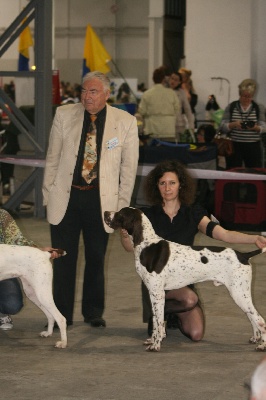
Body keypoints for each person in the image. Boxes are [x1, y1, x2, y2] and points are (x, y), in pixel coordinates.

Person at [120, 160, 266, 339]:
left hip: (183, 282)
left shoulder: (193, 213)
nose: (167, 188)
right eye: (162, 183)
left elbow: (223, 235)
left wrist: (254, 239)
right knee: (190, 299)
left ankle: (259, 331)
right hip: (157, 280)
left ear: (181, 185)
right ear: (156, 186)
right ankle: (158, 315)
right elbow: (128, 248)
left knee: (196, 333)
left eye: (172, 183)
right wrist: (125, 232)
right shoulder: (148, 215)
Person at [42, 71, 139, 328]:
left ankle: (93, 312)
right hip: (67, 197)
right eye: (84, 91)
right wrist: (47, 195)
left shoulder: (126, 122)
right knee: (62, 259)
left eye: (93, 91)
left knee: (96, 258)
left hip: (101, 203)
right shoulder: (64, 115)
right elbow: (52, 158)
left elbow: (128, 172)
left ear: (107, 94)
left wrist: (121, 210)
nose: (86, 96)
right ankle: (61, 314)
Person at [0, 208, 61, 330]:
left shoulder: (2, 215)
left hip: (4, 269)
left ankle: (1, 314)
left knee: (12, 304)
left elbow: (17, 240)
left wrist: (38, 250)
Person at [219, 78, 266, 169]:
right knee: (233, 171)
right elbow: (222, 126)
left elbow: (264, 127)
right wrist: (234, 124)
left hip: (253, 146)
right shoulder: (231, 107)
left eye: (249, 96)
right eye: (244, 96)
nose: (247, 99)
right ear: (240, 95)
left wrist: (255, 128)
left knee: (254, 171)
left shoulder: (258, 108)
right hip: (234, 145)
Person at [137, 67, 180, 142]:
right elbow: (177, 108)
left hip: (152, 130)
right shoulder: (172, 93)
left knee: (153, 153)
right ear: (164, 79)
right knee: (168, 152)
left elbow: (142, 111)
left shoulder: (147, 94)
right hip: (168, 130)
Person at [169, 71, 195, 142]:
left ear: (180, 82)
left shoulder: (181, 92)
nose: (173, 81)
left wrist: (191, 126)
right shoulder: (164, 91)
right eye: (172, 78)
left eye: (176, 80)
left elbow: (188, 110)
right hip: (166, 124)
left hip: (178, 124)